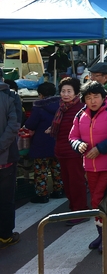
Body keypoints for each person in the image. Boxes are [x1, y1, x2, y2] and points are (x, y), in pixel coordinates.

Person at [69, 81, 107, 252]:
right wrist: (78, 145)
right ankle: (102, 236)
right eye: (88, 98)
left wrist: (100, 148)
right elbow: (73, 137)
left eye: (96, 97)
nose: (92, 101)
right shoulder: (80, 115)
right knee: (96, 201)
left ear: (103, 96)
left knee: (99, 200)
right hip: (89, 166)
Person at [46, 77, 88, 225]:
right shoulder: (62, 107)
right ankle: (74, 208)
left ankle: (81, 210)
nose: (66, 94)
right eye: (63, 91)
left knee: (76, 183)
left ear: (76, 92)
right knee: (68, 183)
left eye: (69, 91)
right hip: (61, 151)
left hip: (74, 152)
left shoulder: (81, 108)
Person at [22, 82, 63, 203]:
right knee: (57, 168)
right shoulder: (62, 105)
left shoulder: (38, 108)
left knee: (41, 170)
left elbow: (30, 124)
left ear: (40, 95)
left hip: (41, 144)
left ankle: (42, 194)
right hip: (57, 142)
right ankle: (58, 190)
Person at [0, 68, 21, 249]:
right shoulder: (11, 96)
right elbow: (14, 126)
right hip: (5, 158)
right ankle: (5, 236)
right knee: (5, 198)